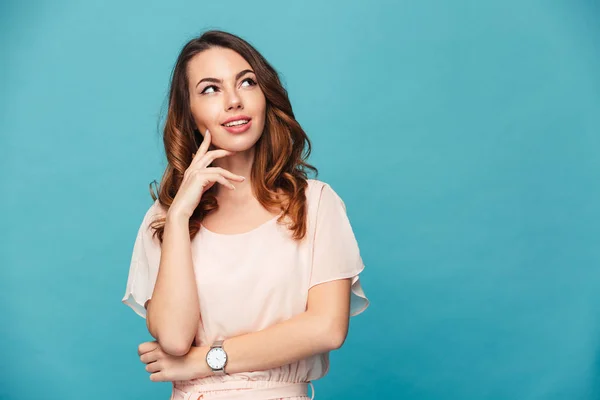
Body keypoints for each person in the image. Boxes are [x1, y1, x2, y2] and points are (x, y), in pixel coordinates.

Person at [121, 29, 370, 400]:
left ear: (265, 97)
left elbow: (327, 328)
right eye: (210, 89)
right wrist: (176, 219)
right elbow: (173, 339)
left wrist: (204, 360)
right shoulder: (166, 217)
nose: (233, 101)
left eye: (246, 82)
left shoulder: (316, 203)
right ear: (188, 113)